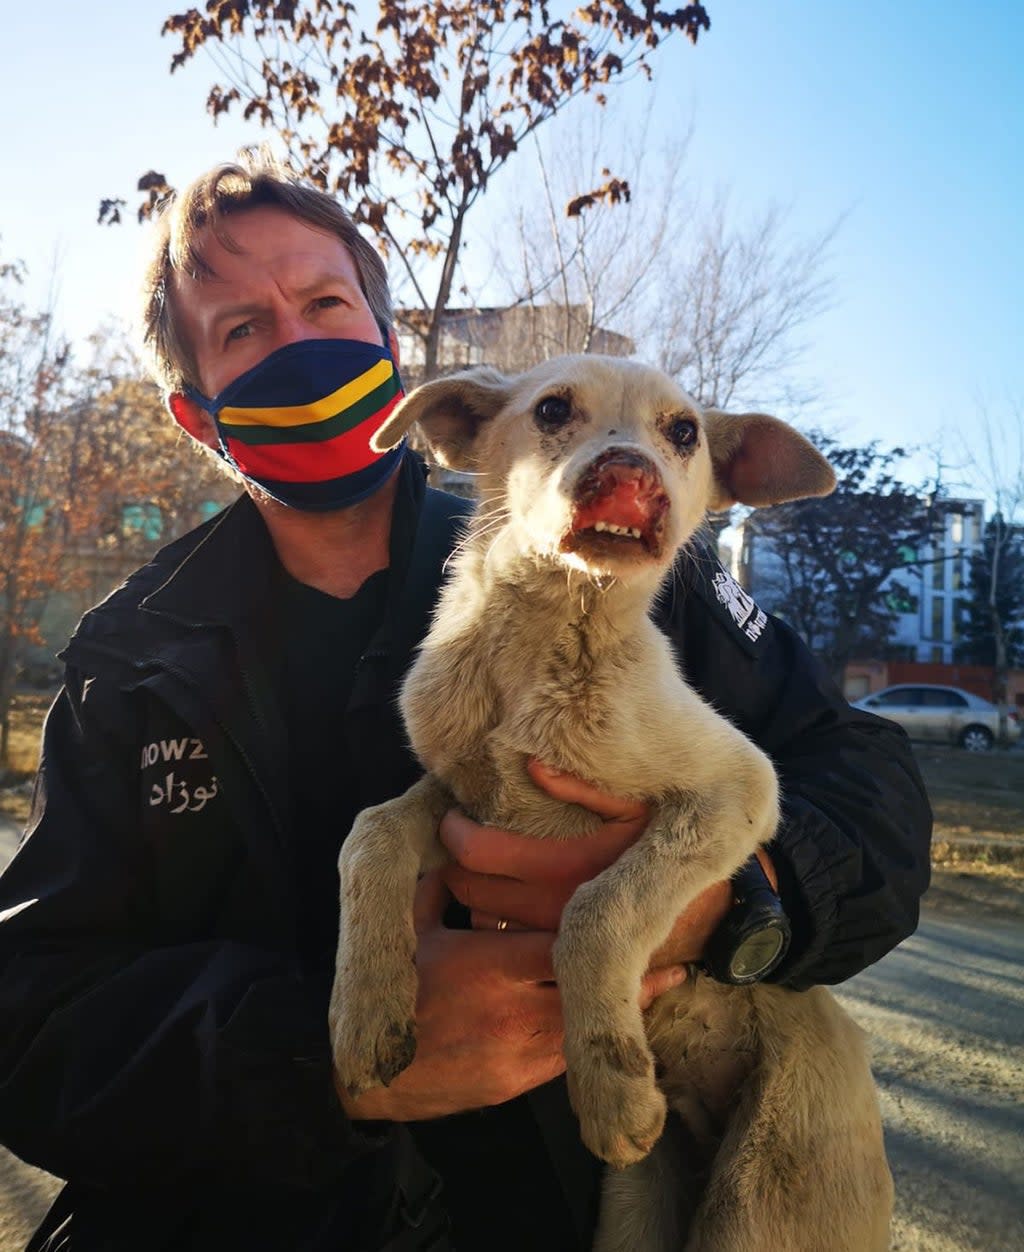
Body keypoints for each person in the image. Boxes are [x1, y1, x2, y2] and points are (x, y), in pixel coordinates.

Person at [0, 154, 931, 1252]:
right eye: (243, 331)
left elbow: (867, 786)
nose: (299, 347)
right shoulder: (129, 660)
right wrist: (319, 1065)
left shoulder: (616, 563)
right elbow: (33, 1024)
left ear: (389, 348)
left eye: (325, 303)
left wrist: (745, 901)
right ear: (197, 416)